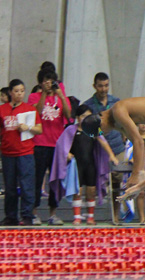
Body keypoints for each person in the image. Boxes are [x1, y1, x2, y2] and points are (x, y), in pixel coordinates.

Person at [49, 105, 118, 225]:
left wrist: (111, 155)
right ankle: (77, 217)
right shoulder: (71, 130)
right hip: (77, 166)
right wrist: (68, 154)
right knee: (78, 191)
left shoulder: (93, 130)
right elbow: (61, 145)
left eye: (88, 116)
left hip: (90, 165)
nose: (86, 118)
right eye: (83, 116)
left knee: (91, 191)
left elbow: (103, 142)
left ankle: (90, 217)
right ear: (77, 117)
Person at [28, 69, 72, 226]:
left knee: (55, 181)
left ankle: (53, 214)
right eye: (46, 80)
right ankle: (34, 213)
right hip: (39, 144)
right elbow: (36, 113)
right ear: (41, 83)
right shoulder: (34, 97)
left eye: (51, 80)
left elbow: (68, 116)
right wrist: (44, 95)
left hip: (56, 145)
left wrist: (60, 95)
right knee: (37, 179)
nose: (49, 83)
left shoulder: (61, 98)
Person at [82, 73, 126, 222]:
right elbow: (86, 128)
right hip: (97, 149)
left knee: (117, 182)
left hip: (117, 146)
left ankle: (116, 214)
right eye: (100, 86)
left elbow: (124, 121)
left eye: (106, 85)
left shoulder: (116, 102)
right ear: (95, 86)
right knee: (94, 181)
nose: (103, 89)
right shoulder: (88, 105)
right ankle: (91, 216)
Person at [0, 79, 43, 226]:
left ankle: (27, 215)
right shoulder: (2, 109)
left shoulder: (30, 109)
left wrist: (28, 128)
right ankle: (11, 216)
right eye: (16, 91)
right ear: (11, 92)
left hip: (25, 152)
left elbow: (39, 129)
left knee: (27, 185)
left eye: (22, 91)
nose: (19, 94)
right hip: (7, 153)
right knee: (10, 187)